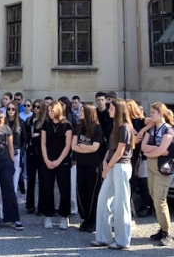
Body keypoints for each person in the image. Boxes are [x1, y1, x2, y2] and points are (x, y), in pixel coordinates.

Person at [92, 98, 134, 250]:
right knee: (103, 199)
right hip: (113, 165)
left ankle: (123, 241)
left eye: (111, 108)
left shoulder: (125, 127)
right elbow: (111, 149)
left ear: (118, 110)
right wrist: (105, 161)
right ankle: (103, 237)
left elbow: (120, 151)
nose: (108, 110)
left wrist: (107, 166)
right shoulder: (116, 126)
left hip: (121, 166)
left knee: (121, 204)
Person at [141, 102, 174, 246]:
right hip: (152, 164)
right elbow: (143, 147)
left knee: (160, 199)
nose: (150, 115)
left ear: (161, 114)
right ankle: (162, 228)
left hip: (163, 167)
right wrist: (155, 150)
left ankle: (167, 232)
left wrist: (151, 152)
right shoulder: (152, 129)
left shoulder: (168, 129)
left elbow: (162, 150)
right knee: (153, 195)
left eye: (153, 113)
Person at [40, 100, 73, 230]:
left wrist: (58, 161)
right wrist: (46, 160)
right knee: (47, 187)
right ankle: (48, 215)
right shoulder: (46, 124)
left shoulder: (67, 125)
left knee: (64, 188)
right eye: (48, 110)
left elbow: (68, 145)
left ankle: (64, 216)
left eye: (52, 110)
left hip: (62, 161)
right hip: (48, 159)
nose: (50, 113)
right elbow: (43, 143)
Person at [72, 104, 102, 233]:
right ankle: (85, 218)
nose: (80, 113)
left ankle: (93, 220)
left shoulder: (97, 128)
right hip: (81, 163)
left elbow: (95, 148)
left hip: (93, 165)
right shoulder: (78, 127)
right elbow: (73, 146)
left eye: (83, 111)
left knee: (92, 191)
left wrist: (82, 146)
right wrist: (85, 148)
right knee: (81, 190)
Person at [126, 99, 152, 219]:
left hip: (139, 156)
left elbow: (155, 121)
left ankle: (146, 206)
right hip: (129, 155)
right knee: (130, 183)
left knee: (141, 182)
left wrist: (142, 130)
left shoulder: (139, 121)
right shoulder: (124, 122)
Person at [24, 100, 45, 214]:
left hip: (41, 152)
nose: (36, 109)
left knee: (42, 180)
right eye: (34, 107)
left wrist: (38, 136)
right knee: (31, 179)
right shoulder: (29, 120)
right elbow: (26, 135)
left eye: (38, 107)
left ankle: (41, 206)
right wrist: (30, 137)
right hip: (31, 151)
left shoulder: (45, 121)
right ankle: (30, 205)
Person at [5, 102, 25, 203]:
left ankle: (11, 202)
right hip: (4, 152)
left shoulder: (21, 123)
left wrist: (21, 151)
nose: (10, 111)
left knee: (15, 178)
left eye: (13, 109)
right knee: (5, 178)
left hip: (16, 152)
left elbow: (24, 139)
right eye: (9, 109)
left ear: (16, 111)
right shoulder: (3, 122)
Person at [95, 92, 113, 160]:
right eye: (98, 100)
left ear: (105, 100)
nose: (100, 102)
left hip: (110, 138)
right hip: (99, 139)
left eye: (102, 100)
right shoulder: (95, 112)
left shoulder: (110, 111)